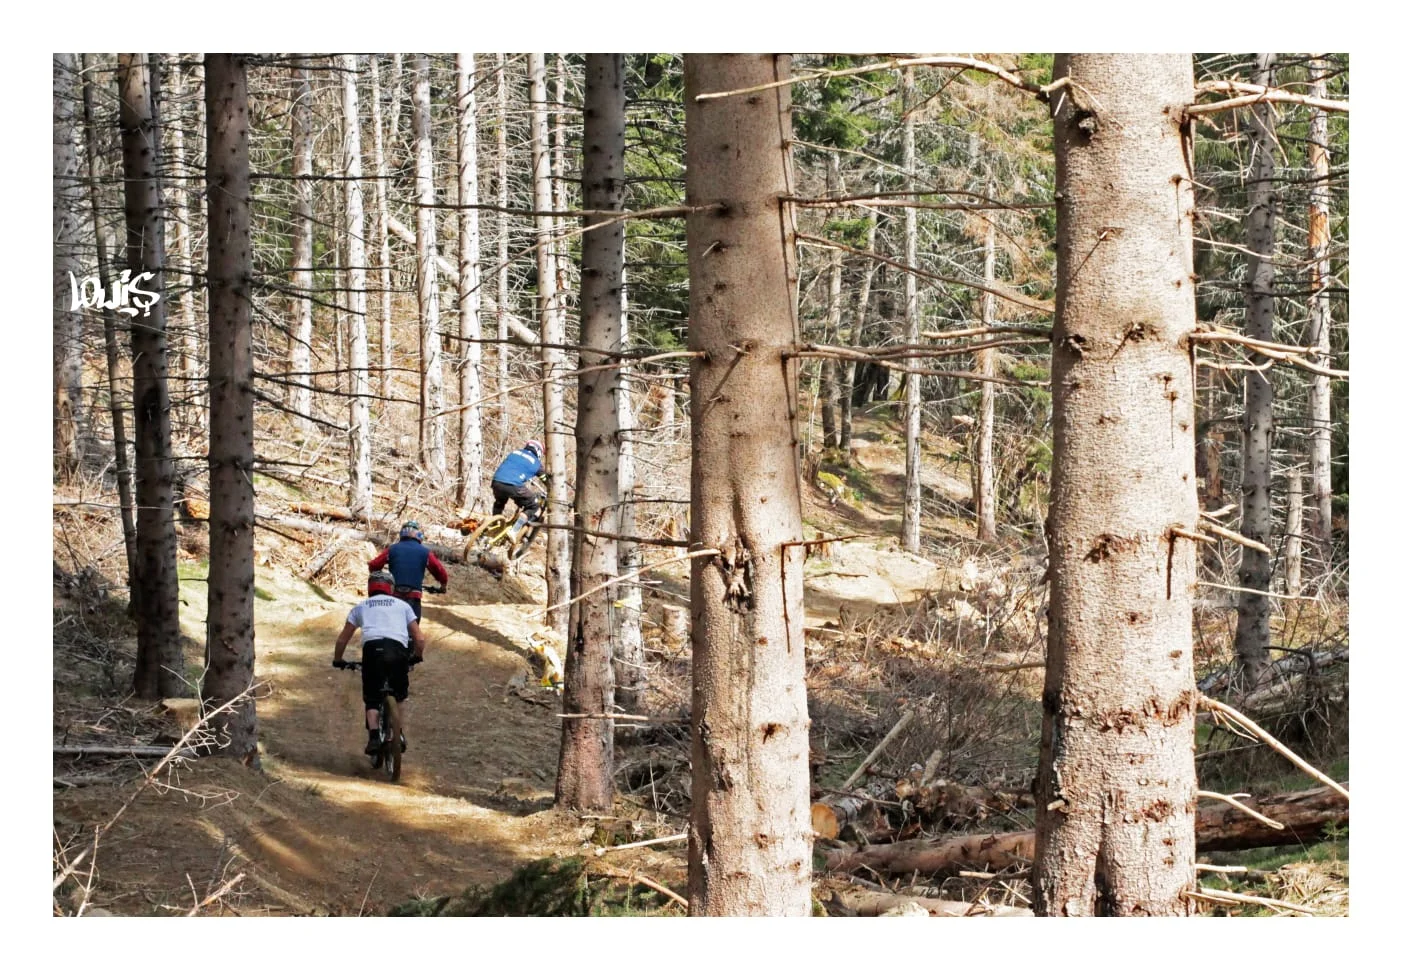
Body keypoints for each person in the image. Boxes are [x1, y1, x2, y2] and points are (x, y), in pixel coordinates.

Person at [332, 571, 425, 755]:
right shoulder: (403, 606)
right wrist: (417, 656)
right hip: (398, 650)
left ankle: (374, 736)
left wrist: (338, 659)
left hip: (372, 651)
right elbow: (419, 638)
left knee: (372, 696)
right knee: (399, 694)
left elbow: (343, 639)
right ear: (390, 588)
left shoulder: (360, 607)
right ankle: (397, 734)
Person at [369, 520, 449, 621]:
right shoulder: (425, 552)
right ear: (418, 535)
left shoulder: (392, 549)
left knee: (392, 627)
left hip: (394, 594)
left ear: (402, 534)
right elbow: (440, 571)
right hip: (413, 596)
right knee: (414, 631)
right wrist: (443, 586)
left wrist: (377, 577)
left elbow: (374, 565)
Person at [490, 439, 547, 524]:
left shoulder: (515, 452)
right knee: (533, 505)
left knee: (500, 502)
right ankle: (515, 530)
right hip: (513, 485)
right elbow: (546, 480)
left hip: (497, 481)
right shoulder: (536, 463)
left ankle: (493, 524)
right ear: (538, 451)